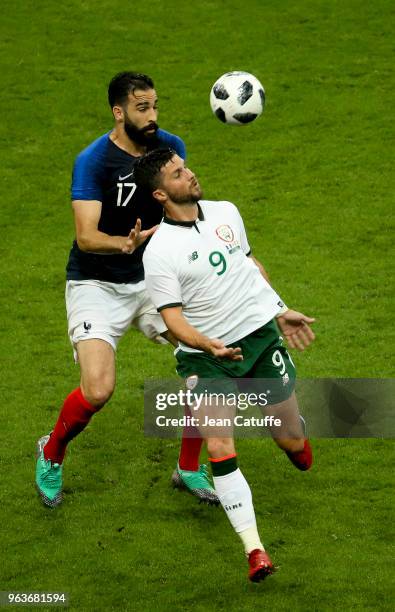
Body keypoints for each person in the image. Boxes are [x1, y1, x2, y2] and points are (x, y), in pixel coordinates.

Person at [35, 72, 217, 508]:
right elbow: (85, 236)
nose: (153, 116)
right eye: (142, 108)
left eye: (155, 106)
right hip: (96, 282)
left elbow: (182, 207)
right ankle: (51, 452)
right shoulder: (94, 161)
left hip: (155, 280)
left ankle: (189, 467)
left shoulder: (169, 147)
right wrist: (125, 244)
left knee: (206, 365)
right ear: (119, 112)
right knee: (97, 389)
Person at [135, 148, 315, 582]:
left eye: (187, 166)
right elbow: (172, 320)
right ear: (160, 193)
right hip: (207, 359)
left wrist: (279, 309)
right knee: (219, 445)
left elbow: (249, 267)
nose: (190, 174)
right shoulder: (159, 253)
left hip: (258, 340)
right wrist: (207, 345)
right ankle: (255, 550)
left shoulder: (226, 212)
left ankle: (292, 428)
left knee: (296, 449)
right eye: (178, 174)